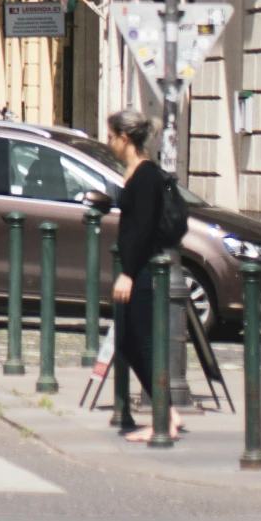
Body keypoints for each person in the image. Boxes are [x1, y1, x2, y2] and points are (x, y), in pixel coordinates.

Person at [107, 105, 182, 442]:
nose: (108, 142)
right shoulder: (135, 172)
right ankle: (167, 413)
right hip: (138, 269)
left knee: (144, 342)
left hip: (144, 271)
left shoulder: (147, 175)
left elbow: (141, 230)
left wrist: (128, 273)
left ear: (125, 138)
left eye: (111, 137)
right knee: (127, 340)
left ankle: (163, 418)